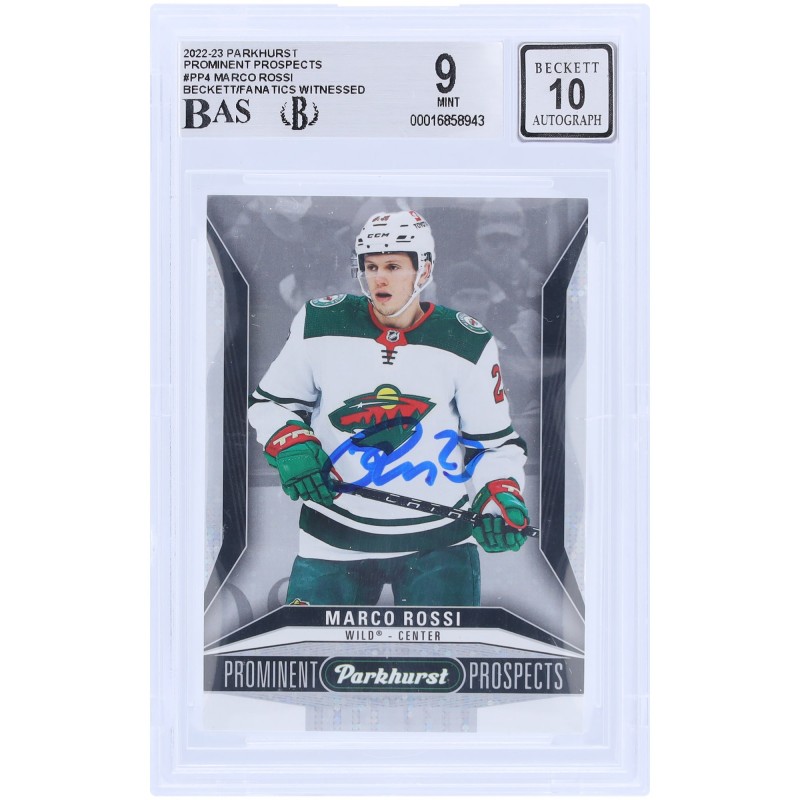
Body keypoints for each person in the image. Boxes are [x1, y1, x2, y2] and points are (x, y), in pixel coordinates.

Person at [247, 210, 530, 607]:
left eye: (394, 266)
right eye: (371, 266)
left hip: (440, 544)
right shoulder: (320, 322)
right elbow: (271, 403)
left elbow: (493, 444)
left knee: (444, 651)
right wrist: (290, 441)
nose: (379, 278)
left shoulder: (467, 341)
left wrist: (499, 493)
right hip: (332, 538)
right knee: (313, 648)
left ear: (424, 270)